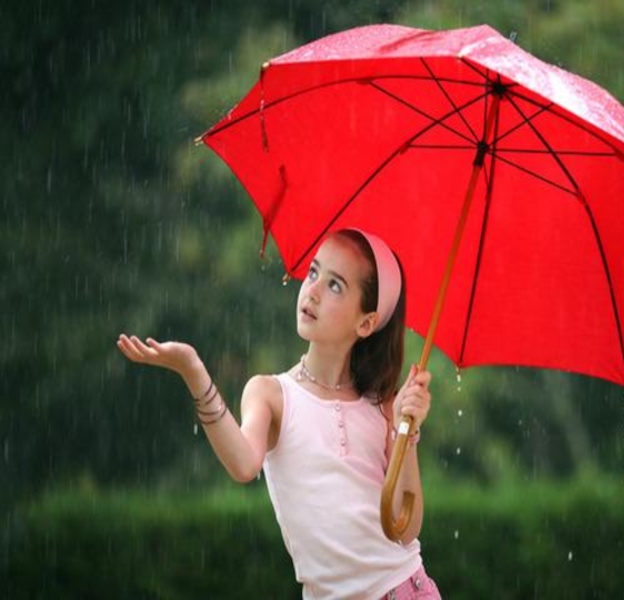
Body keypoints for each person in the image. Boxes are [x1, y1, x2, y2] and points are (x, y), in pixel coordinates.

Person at [117, 228, 441, 600]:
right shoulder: (272, 394)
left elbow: (405, 529)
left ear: (366, 323)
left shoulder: (384, 406)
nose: (313, 291)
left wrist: (405, 432)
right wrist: (194, 371)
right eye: (314, 272)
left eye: (335, 285)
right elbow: (243, 464)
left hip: (405, 590)